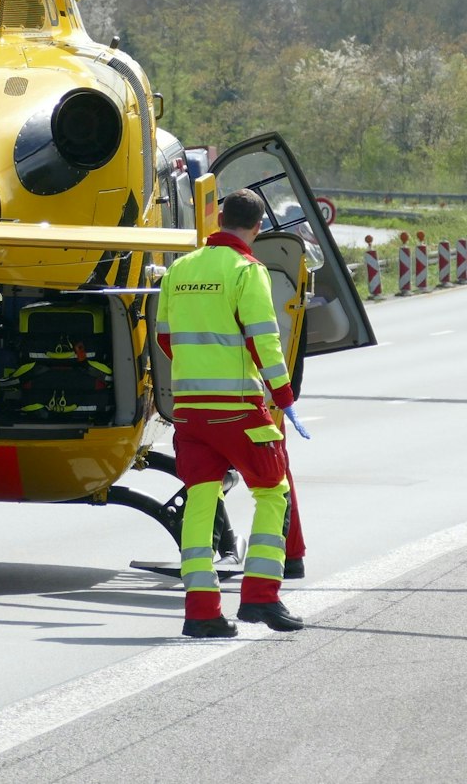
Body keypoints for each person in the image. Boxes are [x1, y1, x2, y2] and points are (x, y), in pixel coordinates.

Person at [157, 190, 305, 638]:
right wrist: (283, 396)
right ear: (258, 227)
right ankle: (261, 598)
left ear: (220, 219)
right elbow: (266, 340)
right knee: (272, 492)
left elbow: (165, 337)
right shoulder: (247, 271)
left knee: (202, 501)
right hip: (237, 408)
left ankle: (201, 612)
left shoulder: (180, 269)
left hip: (189, 412)